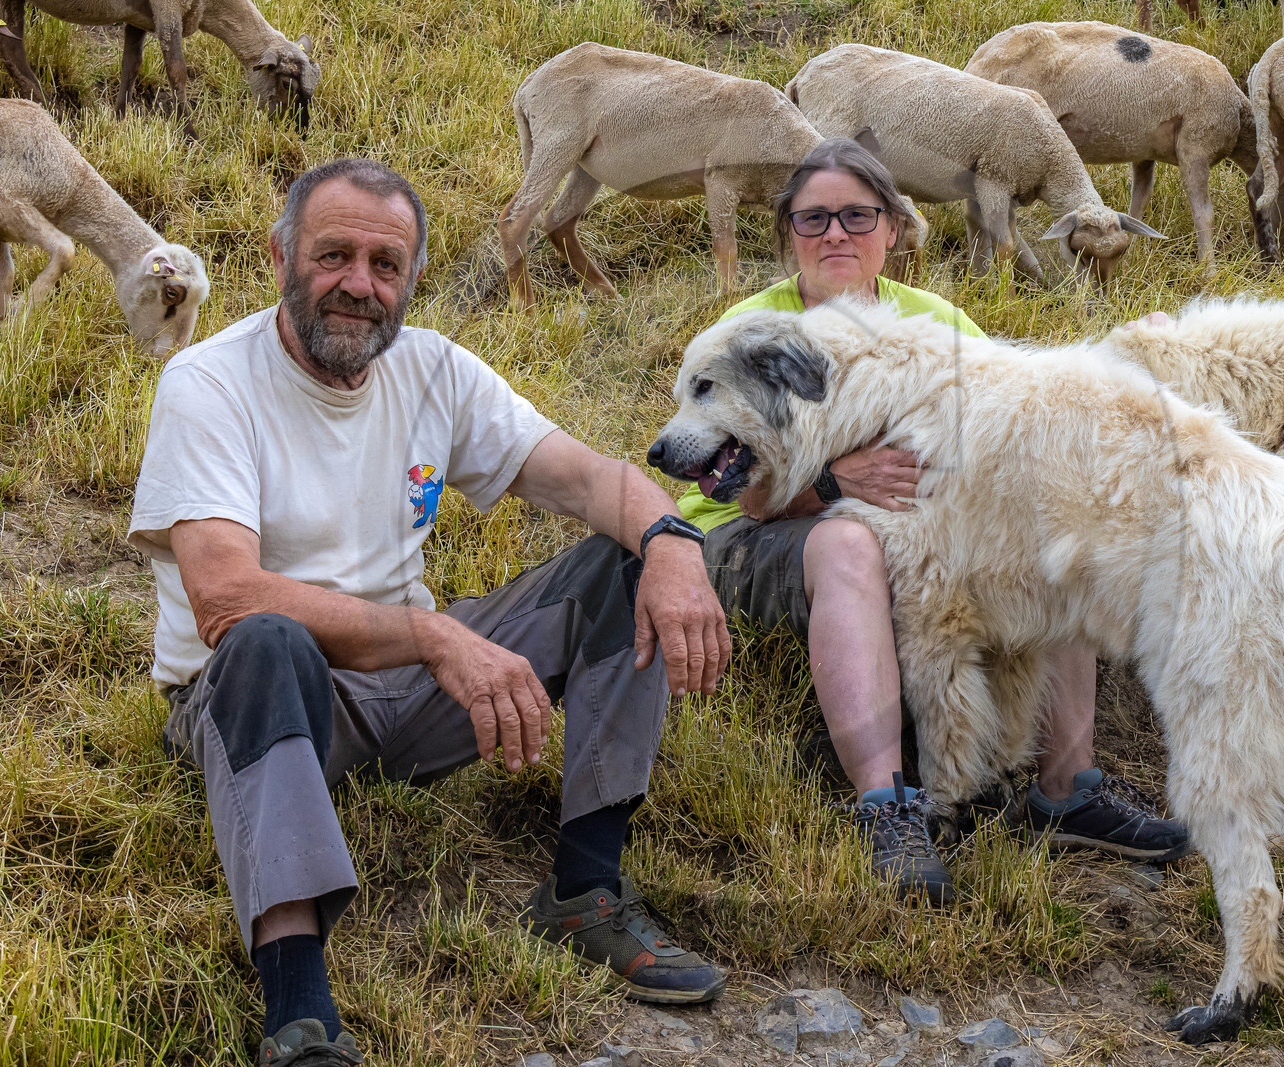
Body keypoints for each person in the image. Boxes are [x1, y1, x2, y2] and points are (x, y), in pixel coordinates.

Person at [129, 159, 732, 1067]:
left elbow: (590, 479)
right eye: (334, 255)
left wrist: (675, 543)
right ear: (281, 255)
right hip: (261, 701)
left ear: (411, 279)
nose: (358, 285)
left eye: (385, 264)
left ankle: (586, 893)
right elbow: (225, 596)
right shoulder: (209, 383)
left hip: (408, 692)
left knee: (624, 558)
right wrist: (431, 632)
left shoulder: (433, 367)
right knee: (265, 638)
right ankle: (300, 1010)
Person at [678, 139, 1190, 906]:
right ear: (788, 232)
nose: (836, 235)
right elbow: (715, 488)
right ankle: (888, 808)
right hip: (759, 541)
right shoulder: (751, 330)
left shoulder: (936, 319)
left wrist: (1139, 361)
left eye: (858, 215)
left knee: (1062, 524)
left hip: (928, 533)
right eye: (814, 219)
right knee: (850, 542)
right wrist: (827, 481)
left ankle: (1066, 787)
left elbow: (1011, 434)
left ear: (892, 229)